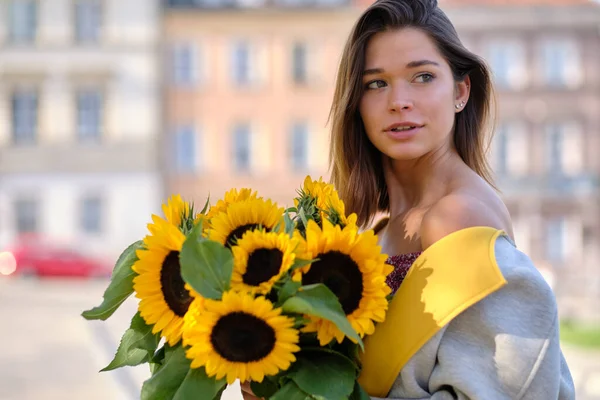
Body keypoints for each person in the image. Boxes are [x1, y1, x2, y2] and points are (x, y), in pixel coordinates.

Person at [242, 0, 575, 398]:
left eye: (422, 77)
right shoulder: (378, 228)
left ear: (461, 91)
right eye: (376, 83)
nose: (398, 100)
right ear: (357, 105)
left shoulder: (457, 217)